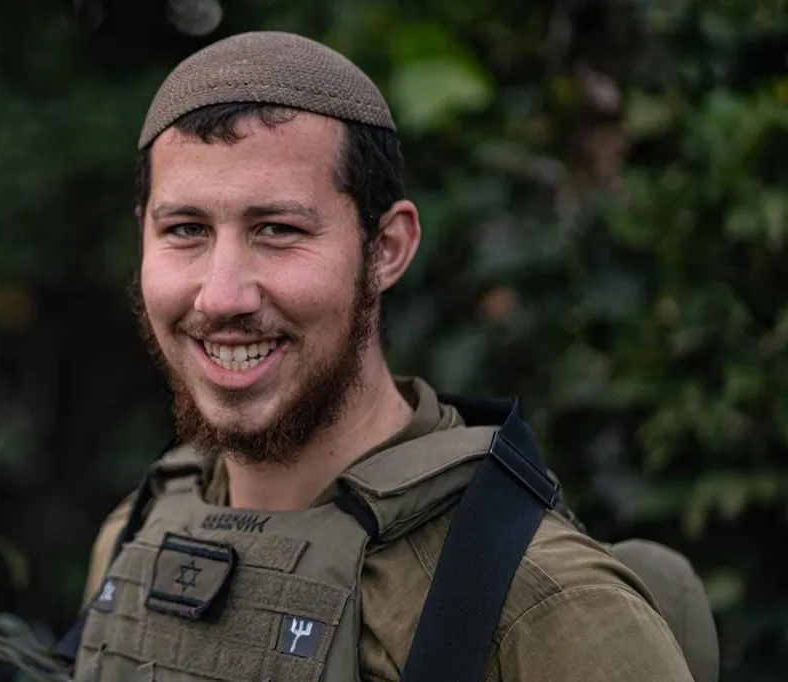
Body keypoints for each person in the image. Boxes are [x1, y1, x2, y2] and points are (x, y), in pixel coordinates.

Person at [70, 30, 705, 682]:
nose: (223, 294)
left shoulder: (542, 605)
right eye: (186, 231)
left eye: (278, 230)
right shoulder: (137, 535)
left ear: (387, 248)